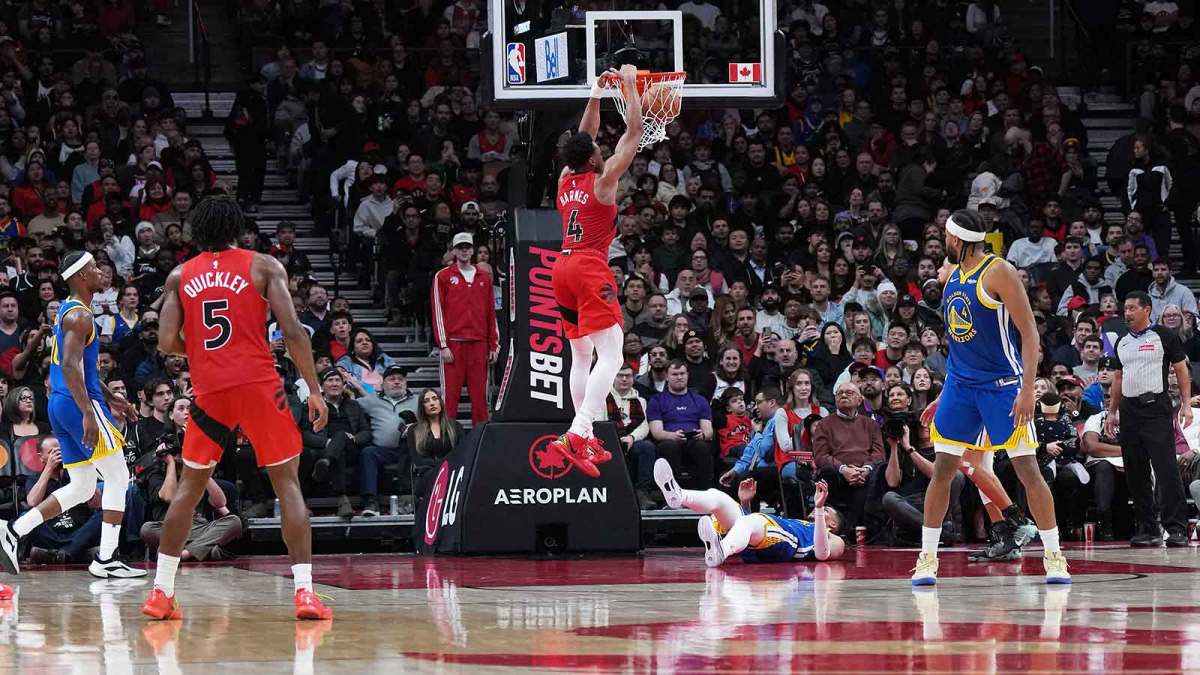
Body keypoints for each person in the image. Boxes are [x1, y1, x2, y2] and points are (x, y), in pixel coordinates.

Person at [143, 195, 331, 621]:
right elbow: (294, 332)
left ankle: (161, 592)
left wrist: (209, 354)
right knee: (288, 486)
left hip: (210, 390)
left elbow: (166, 341)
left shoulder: (179, 275)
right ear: (236, 228)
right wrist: (314, 390)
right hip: (260, 385)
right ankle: (304, 594)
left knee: (189, 491)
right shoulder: (264, 266)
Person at [913, 209, 1070, 586]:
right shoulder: (952, 276)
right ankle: (927, 558)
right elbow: (960, 342)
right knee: (943, 471)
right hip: (960, 386)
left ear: (957, 240)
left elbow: (1030, 333)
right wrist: (943, 394)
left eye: (946, 237)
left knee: (1027, 470)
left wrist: (1029, 387)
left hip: (1002, 386)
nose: (943, 243)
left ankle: (1054, 555)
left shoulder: (998, 272)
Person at [0, 251, 143, 580]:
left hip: (63, 402)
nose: (101, 272)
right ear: (80, 276)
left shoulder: (71, 312)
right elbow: (68, 367)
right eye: (94, 268)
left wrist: (115, 399)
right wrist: (89, 414)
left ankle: (14, 530)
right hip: (78, 404)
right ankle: (107, 558)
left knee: (81, 486)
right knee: (119, 478)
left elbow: (84, 368)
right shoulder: (80, 316)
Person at [548, 64, 643, 477]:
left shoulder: (566, 176)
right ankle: (579, 429)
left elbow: (582, 136)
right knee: (613, 352)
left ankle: (584, 437)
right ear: (592, 157)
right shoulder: (602, 183)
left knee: (581, 354)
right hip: (588, 266)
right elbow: (635, 134)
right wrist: (628, 82)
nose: (603, 150)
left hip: (561, 268)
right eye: (597, 149)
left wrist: (595, 92)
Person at [1105, 290, 1191, 547]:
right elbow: (1118, 378)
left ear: (1147, 309)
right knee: (1135, 471)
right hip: (1130, 411)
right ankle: (1147, 528)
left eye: (1132, 308)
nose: (1127, 313)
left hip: (1156, 408)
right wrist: (1112, 412)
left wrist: (1186, 404)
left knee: (1166, 469)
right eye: (1125, 309)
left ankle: (1176, 528)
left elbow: (1180, 368)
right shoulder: (1121, 341)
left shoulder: (1164, 335)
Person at [655, 458, 845, 566]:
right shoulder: (800, 523)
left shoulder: (834, 538)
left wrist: (820, 509)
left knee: (753, 520)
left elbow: (822, 555)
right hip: (762, 537)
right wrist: (745, 503)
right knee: (719, 498)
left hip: (786, 546)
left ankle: (721, 549)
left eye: (827, 509)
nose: (819, 507)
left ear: (834, 524)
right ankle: (680, 497)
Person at [432, 232, 497, 424]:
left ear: (473, 249)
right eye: (460, 247)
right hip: (454, 345)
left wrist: (493, 344)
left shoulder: (484, 276)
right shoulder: (442, 276)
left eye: (467, 247)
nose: (464, 251)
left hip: (478, 344)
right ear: (453, 251)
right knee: (450, 398)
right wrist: (443, 344)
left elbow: (490, 313)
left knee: (480, 400)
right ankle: (446, 443)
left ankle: (479, 445)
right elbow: (438, 311)